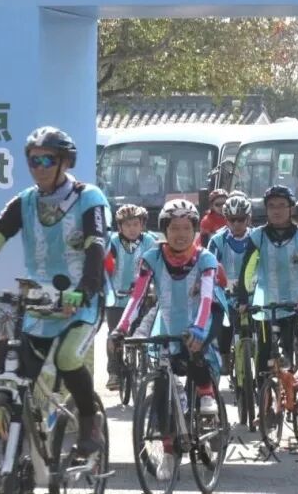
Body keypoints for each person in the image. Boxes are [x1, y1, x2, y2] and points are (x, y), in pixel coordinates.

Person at [0, 126, 110, 456]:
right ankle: (18, 451)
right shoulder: (24, 202)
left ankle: (89, 421)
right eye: (33, 160)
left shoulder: (88, 198)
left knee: (67, 358)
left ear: (65, 162)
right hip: (38, 304)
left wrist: (85, 289)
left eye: (47, 159)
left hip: (81, 302)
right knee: (16, 373)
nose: (39, 167)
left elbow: (96, 246)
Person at [112, 199, 223, 480]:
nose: (181, 234)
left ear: (195, 230)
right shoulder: (152, 257)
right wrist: (121, 328)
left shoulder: (206, 259)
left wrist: (199, 330)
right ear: (165, 230)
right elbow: (137, 297)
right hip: (170, 320)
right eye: (174, 228)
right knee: (162, 387)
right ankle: (169, 452)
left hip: (203, 318)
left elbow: (206, 298)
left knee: (195, 351)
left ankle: (206, 393)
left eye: (187, 228)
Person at [234, 185, 298, 393]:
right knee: (264, 353)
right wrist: (243, 299)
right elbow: (247, 270)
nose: (276, 210)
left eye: (282, 205)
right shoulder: (257, 236)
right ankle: (263, 396)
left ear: (291, 208)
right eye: (271, 206)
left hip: (296, 304)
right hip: (266, 306)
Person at [104, 204, 158, 390]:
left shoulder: (150, 241)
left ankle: (147, 365)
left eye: (136, 224)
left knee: (143, 335)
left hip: (143, 297)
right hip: (117, 299)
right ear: (119, 227)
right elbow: (105, 268)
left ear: (142, 225)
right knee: (115, 335)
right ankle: (114, 371)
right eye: (127, 225)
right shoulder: (112, 243)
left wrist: (155, 288)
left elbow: (157, 266)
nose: (132, 229)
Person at [208, 194, 252, 367]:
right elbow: (209, 267)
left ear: (248, 219)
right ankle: (225, 354)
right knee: (224, 324)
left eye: (241, 219)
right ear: (226, 220)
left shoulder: (257, 237)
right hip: (226, 293)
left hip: (253, 293)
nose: (236, 224)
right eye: (232, 220)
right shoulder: (217, 240)